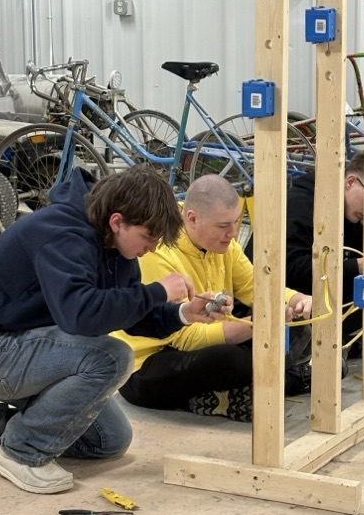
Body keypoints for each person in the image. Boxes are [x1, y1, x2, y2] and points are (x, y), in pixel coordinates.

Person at [0, 165, 226, 494]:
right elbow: (80, 317)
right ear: (118, 220)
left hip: (25, 346)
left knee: (109, 440)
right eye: (148, 237)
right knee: (112, 356)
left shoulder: (115, 246)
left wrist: (184, 313)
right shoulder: (61, 233)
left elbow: (132, 315)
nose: (151, 248)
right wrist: (158, 290)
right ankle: (21, 453)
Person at [115, 174, 314, 423]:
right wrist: (258, 325)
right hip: (149, 365)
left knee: (297, 327)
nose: (232, 233)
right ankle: (285, 380)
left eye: (236, 222)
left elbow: (255, 286)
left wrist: (297, 299)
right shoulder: (158, 252)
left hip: (206, 342)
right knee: (231, 359)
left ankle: (234, 392)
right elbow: (184, 339)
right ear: (192, 218)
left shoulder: (224, 244)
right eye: (223, 226)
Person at [247, 151, 364, 358]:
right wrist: (357, 265)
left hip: (308, 294)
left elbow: (354, 258)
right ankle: (332, 343)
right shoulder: (301, 205)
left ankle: (339, 340)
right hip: (275, 296)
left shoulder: (349, 213)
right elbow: (290, 269)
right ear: (351, 182)